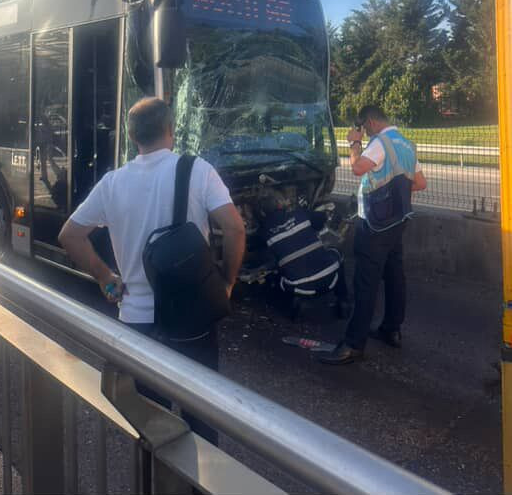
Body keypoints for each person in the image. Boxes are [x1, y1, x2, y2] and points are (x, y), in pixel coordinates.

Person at [58, 96, 246, 443]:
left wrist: (105, 278)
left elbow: (70, 235)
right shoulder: (198, 170)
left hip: (136, 323)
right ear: (170, 130)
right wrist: (228, 282)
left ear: (133, 138)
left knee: (151, 426)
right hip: (193, 319)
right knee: (202, 421)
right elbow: (234, 229)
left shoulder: (113, 183)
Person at [317, 104, 427, 365]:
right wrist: (394, 193)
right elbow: (420, 183)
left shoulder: (379, 143)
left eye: (364, 128)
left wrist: (354, 144)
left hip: (375, 225)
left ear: (371, 122)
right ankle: (392, 329)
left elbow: (356, 168)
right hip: (398, 221)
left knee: (365, 283)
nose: (363, 133)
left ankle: (353, 345)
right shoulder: (407, 144)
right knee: (394, 275)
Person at [257, 191, 350, 319]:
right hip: (329, 278)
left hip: (298, 288)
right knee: (336, 252)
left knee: (272, 272)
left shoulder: (264, 232)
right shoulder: (300, 214)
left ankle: (294, 305)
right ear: (280, 204)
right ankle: (343, 300)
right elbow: (322, 219)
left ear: (262, 212)